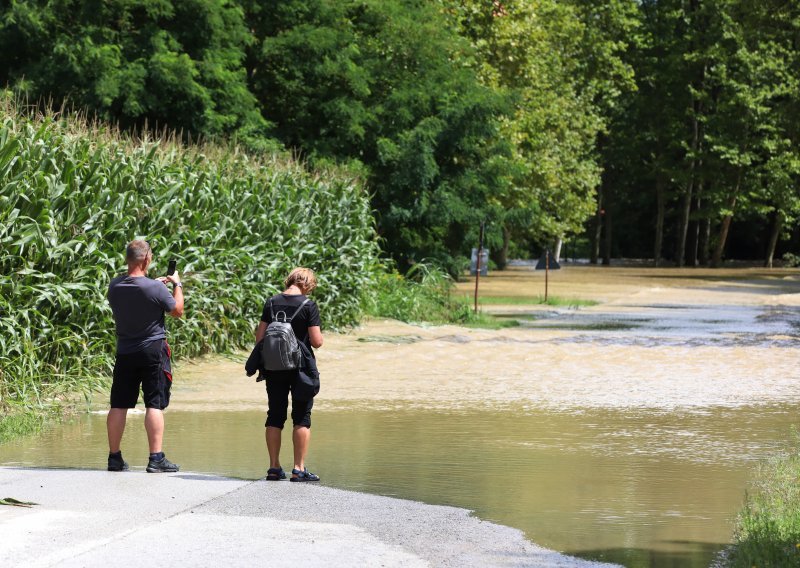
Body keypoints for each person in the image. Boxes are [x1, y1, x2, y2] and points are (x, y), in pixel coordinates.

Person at [106, 240, 184, 472]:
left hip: (125, 350)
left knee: (119, 404)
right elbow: (177, 311)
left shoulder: (115, 285)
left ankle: (114, 457)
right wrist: (176, 285)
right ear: (147, 259)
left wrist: (155, 286)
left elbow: (137, 293)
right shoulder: (156, 288)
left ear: (127, 259)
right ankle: (155, 458)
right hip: (152, 350)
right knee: (154, 402)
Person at [255, 267, 323, 482]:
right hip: (301, 369)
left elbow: (260, 337)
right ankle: (298, 468)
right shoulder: (308, 305)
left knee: (275, 415)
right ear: (307, 283)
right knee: (302, 416)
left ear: (290, 280)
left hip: (274, 366)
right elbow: (317, 341)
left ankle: (274, 467)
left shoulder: (272, 302)